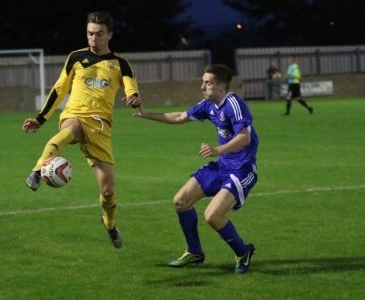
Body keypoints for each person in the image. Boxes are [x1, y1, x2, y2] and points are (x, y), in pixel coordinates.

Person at [22, 11, 142, 248]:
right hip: (75, 115)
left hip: (100, 128)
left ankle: (109, 225)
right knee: (70, 129)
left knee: (107, 192)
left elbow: (131, 88)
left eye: (98, 34)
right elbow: (59, 89)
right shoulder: (76, 58)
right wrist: (41, 118)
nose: (93, 38)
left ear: (109, 35)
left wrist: (133, 98)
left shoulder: (120, 64)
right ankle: (37, 170)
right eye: (90, 33)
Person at [128, 64, 259, 274]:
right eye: (203, 82)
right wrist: (147, 114)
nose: (202, 87)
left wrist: (217, 150)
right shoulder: (209, 104)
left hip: (242, 170)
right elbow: (180, 117)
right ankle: (195, 252)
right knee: (181, 201)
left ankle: (243, 252)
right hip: (222, 166)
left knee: (212, 216)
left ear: (221, 87)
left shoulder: (234, 104)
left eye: (207, 83)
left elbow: (245, 137)